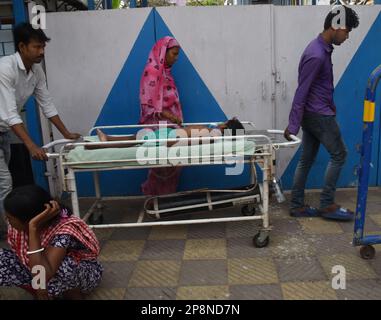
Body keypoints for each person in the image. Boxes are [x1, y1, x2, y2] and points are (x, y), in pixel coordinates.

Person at [0, 23, 81, 237]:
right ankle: (13, 235)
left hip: (3, 132)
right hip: (5, 124)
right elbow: (10, 114)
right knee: (5, 182)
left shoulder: (35, 71)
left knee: (2, 181)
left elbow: (47, 104)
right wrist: (31, 145)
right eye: (37, 47)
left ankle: (9, 228)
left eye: (43, 47)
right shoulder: (5, 68)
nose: (42, 51)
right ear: (22, 46)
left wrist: (66, 134)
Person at [284, 6, 359, 221]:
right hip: (318, 115)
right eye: (347, 32)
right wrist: (293, 124)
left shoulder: (320, 48)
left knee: (306, 159)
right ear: (337, 27)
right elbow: (302, 89)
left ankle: (297, 206)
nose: (346, 37)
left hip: (314, 113)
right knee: (340, 154)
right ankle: (327, 205)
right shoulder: (317, 54)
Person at [0, 185, 103, 300]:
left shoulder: (63, 231)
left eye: (10, 218)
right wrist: (39, 288)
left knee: (65, 266)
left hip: (80, 274)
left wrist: (33, 229)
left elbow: (44, 275)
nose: (6, 220)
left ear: (30, 220)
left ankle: (72, 295)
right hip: (38, 271)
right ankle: (42, 293)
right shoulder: (17, 228)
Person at [139, 36, 183, 196]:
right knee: (160, 166)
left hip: (170, 126)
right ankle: (154, 198)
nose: (176, 58)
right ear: (164, 52)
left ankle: (165, 199)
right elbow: (148, 103)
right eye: (174, 54)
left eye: (178, 54)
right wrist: (171, 117)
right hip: (156, 127)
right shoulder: (152, 72)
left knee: (172, 165)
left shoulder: (166, 73)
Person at [87, 118, 245, 149]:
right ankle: (107, 140)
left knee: (138, 138)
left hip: (172, 137)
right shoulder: (215, 130)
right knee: (138, 137)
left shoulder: (214, 134)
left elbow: (194, 140)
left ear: (226, 128)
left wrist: (175, 142)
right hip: (171, 133)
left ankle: (104, 143)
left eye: (225, 122)